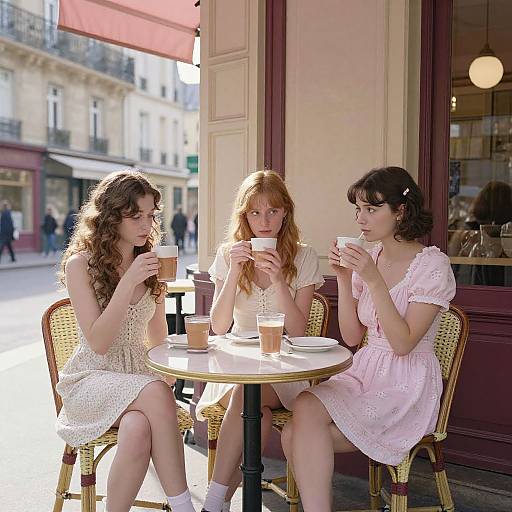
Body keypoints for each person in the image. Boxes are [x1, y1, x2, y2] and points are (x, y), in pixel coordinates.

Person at [281, 166, 456, 512]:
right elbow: (351, 336)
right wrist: (345, 280)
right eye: (358, 210)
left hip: (406, 382)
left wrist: (374, 281)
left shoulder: (433, 266)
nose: (361, 219)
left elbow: (403, 344)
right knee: (304, 404)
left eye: (371, 210)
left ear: (401, 211)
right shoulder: (370, 258)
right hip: (365, 371)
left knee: (293, 435)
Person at [56, 171, 197, 512]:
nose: (146, 225)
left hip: (137, 378)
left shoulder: (151, 261)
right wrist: (128, 281)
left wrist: (169, 369)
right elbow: (99, 341)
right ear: (111, 215)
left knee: (137, 427)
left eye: (150, 215)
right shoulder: (81, 265)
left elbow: (157, 332)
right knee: (155, 393)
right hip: (90, 379)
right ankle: (184, 507)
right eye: (136, 216)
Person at [196, 170, 324, 512]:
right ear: (244, 216)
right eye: (254, 212)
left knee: (249, 396)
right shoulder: (228, 254)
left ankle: (215, 501)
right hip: (235, 367)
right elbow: (219, 328)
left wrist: (279, 278)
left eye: (272, 211)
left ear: (285, 212)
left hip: (285, 371)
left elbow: (297, 332)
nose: (263, 221)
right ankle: (223, 500)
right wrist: (235, 270)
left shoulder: (304, 256)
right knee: (257, 412)